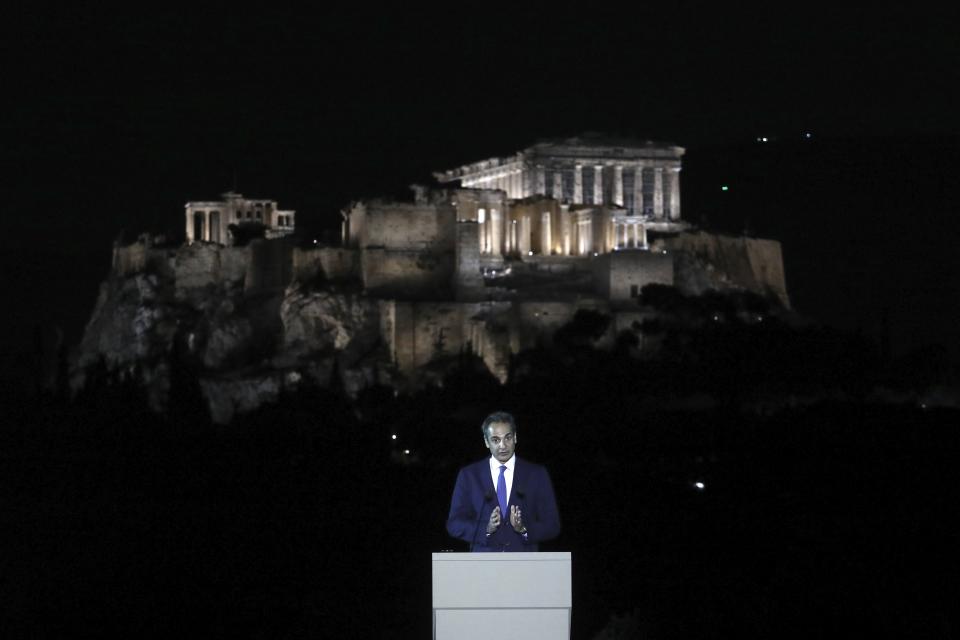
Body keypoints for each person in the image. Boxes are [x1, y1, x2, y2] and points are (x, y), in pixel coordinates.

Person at [446, 411, 560, 551]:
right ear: (486, 442)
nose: (503, 446)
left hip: (525, 566)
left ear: (515, 438)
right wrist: (485, 529)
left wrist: (524, 529)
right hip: (483, 566)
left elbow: (552, 525)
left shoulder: (536, 474)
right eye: (495, 440)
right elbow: (454, 524)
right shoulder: (469, 475)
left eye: (508, 438)